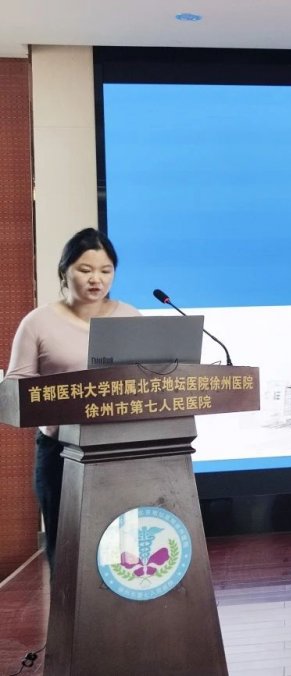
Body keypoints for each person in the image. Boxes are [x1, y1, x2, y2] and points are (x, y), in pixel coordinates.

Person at [5, 227, 141, 567]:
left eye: (105, 270)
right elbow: (15, 389)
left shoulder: (129, 317)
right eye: (85, 269)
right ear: (64, 271)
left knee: (121, 552)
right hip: (61, 451)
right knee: (68, 551)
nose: (96, 279)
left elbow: (148, 378)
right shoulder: (38, 322)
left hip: (120, 449)